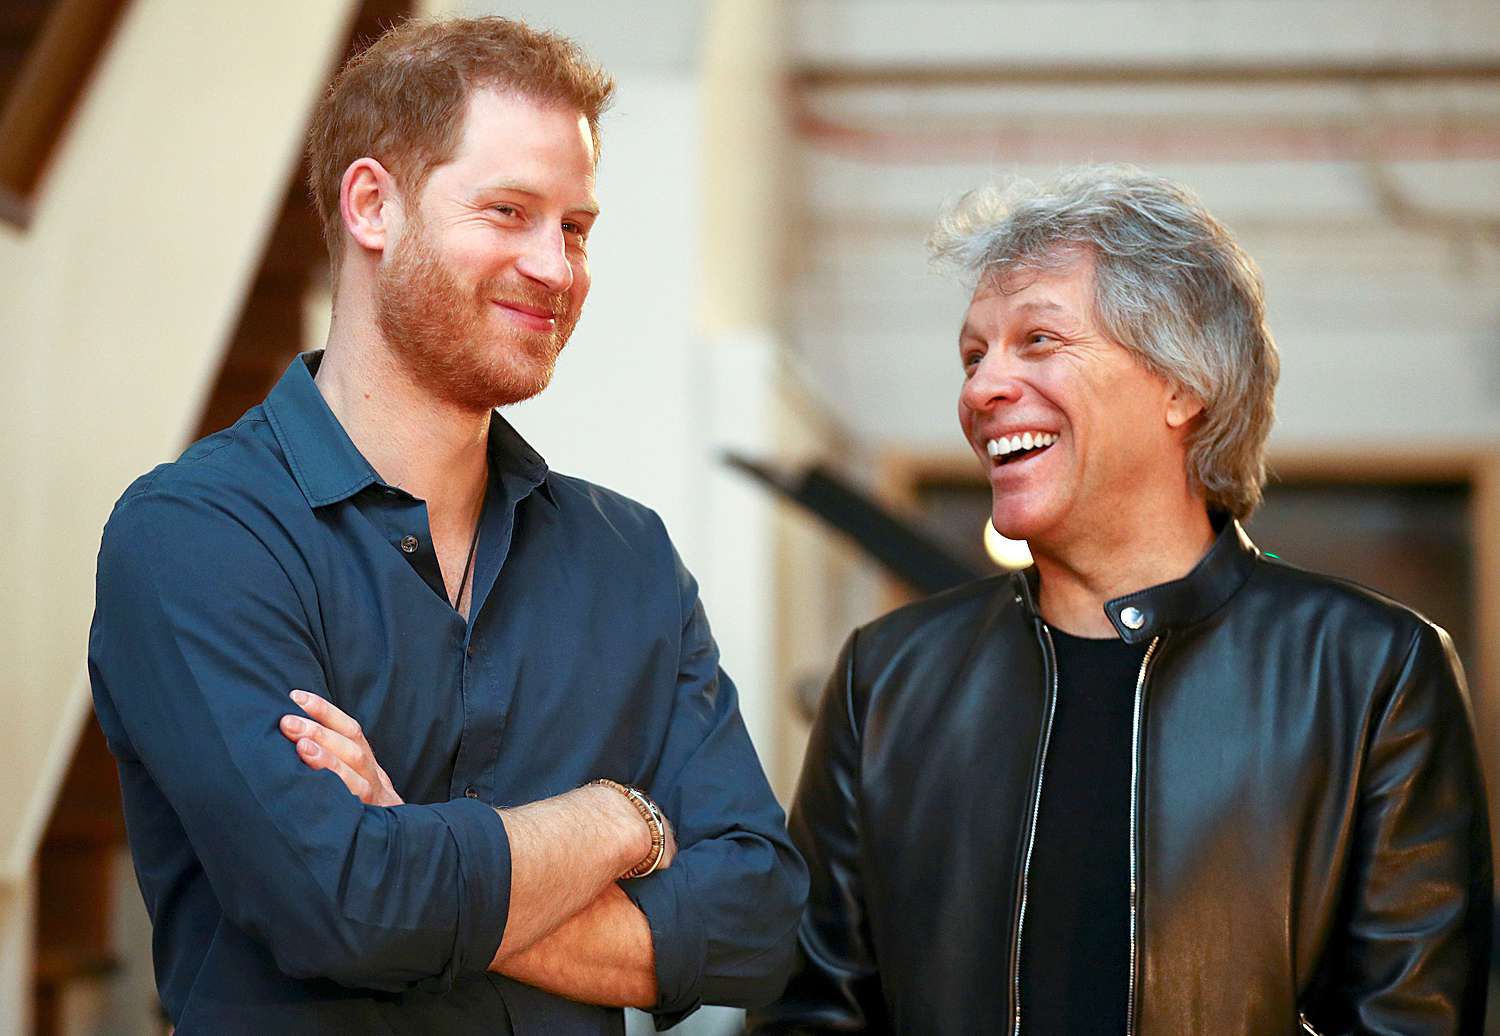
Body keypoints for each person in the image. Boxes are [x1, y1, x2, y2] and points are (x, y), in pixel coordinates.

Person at [88, 17, 805, 1034]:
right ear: (374, 205)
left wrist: (411, 854)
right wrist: (622, 820)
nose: (556, 268)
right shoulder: (196, 537)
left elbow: (761, 921)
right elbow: (346, 912)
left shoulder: (626, 556)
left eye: (577, 226)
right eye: (509, 210)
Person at [749, 166, 1491, 1035]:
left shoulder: (1374, 673)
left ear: (1183, 384)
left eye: (1038, 341)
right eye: (973, 353)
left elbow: (1415, 1021)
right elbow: (810, 1013)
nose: (983, 389)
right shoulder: (888, 678)